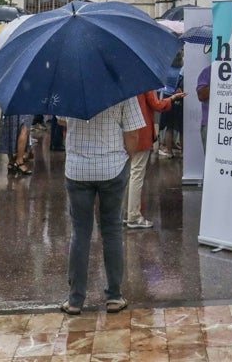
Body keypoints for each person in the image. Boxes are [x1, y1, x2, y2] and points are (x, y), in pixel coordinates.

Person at [60, 96, 145, 315]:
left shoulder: (70, 85)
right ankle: (114, 296)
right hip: (113, 167)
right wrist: (127, 158)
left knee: (80, 233)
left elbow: (61, 120)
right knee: (112, 230)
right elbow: (133, 133)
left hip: (77, 170)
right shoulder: (124, 89)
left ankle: (75, 300)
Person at [127, 87, 183, 228]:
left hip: (125, 132)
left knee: (128, 174)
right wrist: (172, 99)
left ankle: (124, 212)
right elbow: (155, 104)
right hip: (141, 131)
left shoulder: (124, 80)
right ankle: (133, 215)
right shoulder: (145, 82)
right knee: (137, 173)